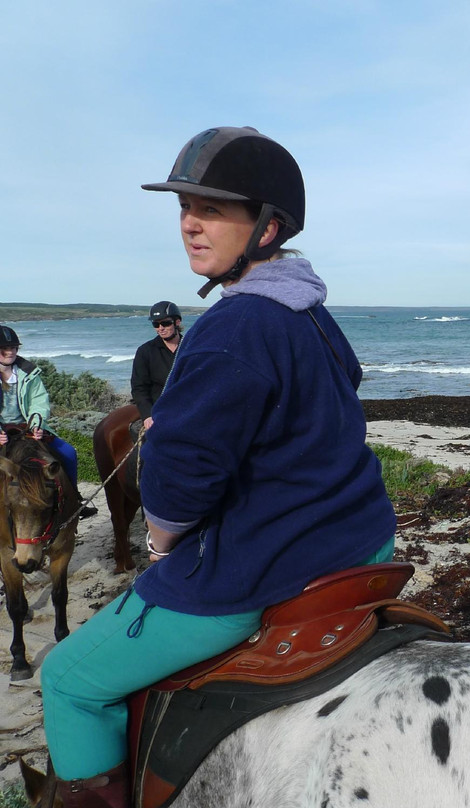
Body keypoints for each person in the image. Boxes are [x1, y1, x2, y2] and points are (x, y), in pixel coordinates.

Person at [40, 126, 397, 808]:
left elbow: (176, 485)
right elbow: (339, 394)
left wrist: (162, 538)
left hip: (262, 567)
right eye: (183, 208)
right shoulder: (312, 312)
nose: (190, 225)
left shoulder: (230, 329)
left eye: (212, 209)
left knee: (67, 682)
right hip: (361, 541)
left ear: (268, 226)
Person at [0, 325, 97, 517]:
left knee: (68, 453)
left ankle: (74, 500)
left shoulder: (28, 373)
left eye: (14, 347)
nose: (10, 351)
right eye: (4, 348)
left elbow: (39, 400)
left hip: (26, 429)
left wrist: (36, 423)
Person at [130, 301, 182, 430]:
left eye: (165, 323)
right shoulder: (145, 351)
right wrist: (147, 415)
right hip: (159, 412)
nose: (160, 328)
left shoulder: (191, 348)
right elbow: (139, 387)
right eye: (156, 324)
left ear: (177, 322)